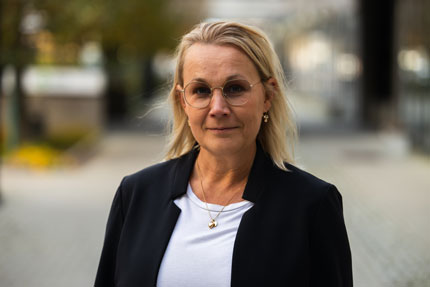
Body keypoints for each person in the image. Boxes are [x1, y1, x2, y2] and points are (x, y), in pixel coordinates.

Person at [94, 21, 353, 287]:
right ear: (183, 101)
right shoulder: (136, 194)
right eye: (201, 91)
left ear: (268, 95)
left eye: (235, 88)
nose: (218, 108)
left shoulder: (312, 204)